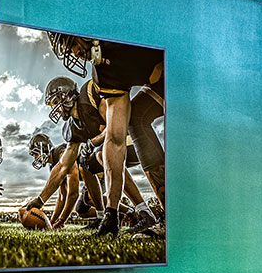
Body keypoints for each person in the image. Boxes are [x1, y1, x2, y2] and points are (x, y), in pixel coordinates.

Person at [26, 33, 164, 236]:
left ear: (66, 96)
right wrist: (40, 199)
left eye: (70, 45)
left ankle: (147, 212)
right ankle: (111, 214)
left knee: (100, 153)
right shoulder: (74, 125)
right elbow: (62, 166)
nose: (73, 53)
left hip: (176, 75)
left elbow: (115, 129)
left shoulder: (90, 96)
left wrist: (92, 142)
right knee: (87, 162)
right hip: (127, 133)